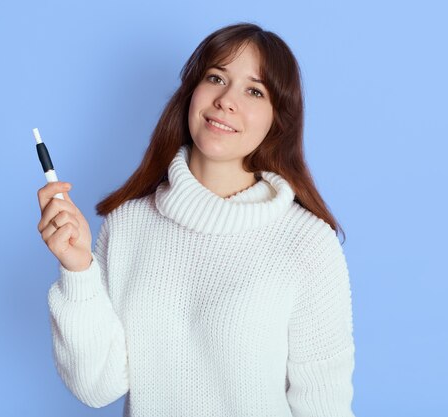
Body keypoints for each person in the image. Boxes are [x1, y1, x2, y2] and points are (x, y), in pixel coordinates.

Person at [37, 22, 356, 417]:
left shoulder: (306, 242)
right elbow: (96, 386)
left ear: (277, 120)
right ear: (191, 93)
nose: (226, 100)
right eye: (216, 77)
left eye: (254, 90)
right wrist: (78, 271)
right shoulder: (127, 226)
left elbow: (323, 404)